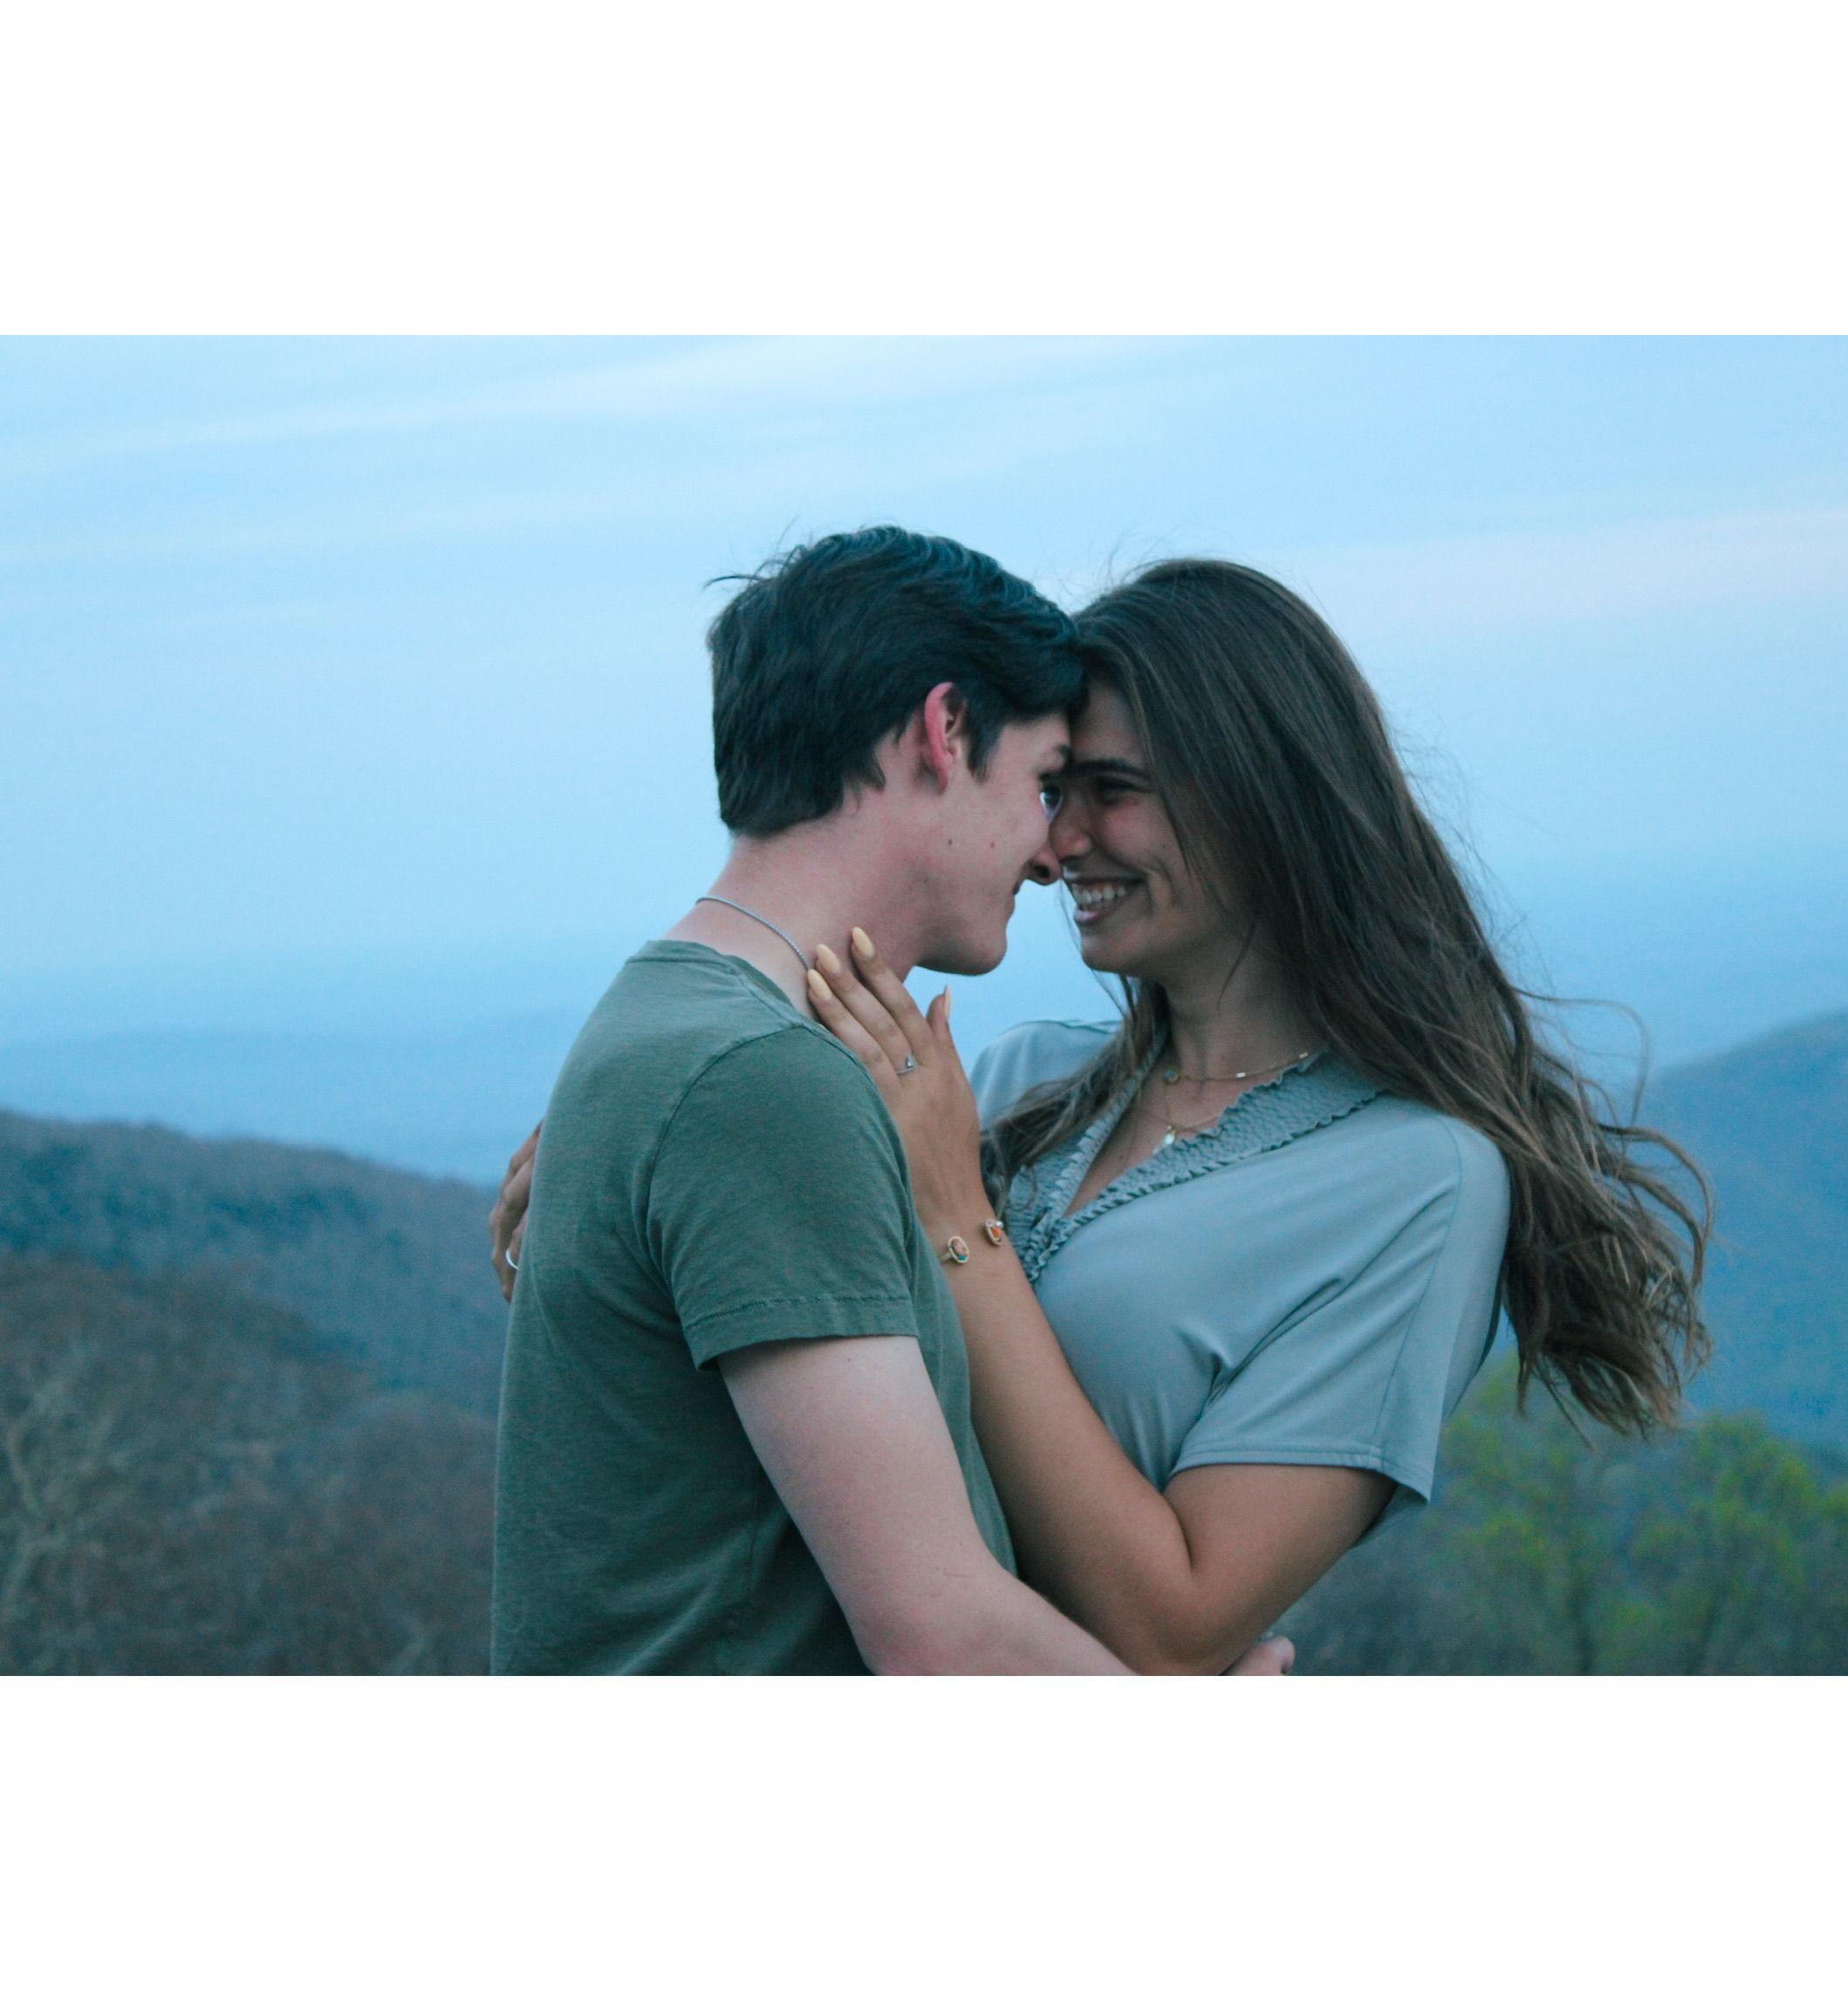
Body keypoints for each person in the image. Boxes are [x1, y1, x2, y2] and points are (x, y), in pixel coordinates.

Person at [494, 553, 1708, 1673]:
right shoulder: (1006, 1078)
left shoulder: (1415, 1183)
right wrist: (631, 1140)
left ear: (1262, 800)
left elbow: (1172, 1624)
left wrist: (958, 1220)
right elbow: (751, 1146)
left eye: (1109, 791)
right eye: (1053, 788)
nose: (1058, 840)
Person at [491, 526, 1292, 1675]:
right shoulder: (758, 1081)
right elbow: (939, 1630)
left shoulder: (663, 1021)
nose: (1054, 852)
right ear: (945, 728)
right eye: (1045, 783)